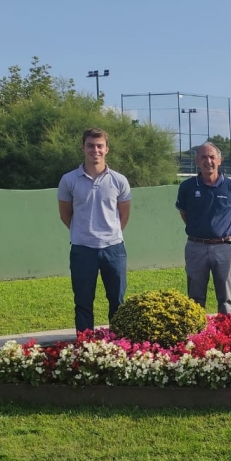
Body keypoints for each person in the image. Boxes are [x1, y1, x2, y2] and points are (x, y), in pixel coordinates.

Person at [57, 128, 132, 334]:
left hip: (114, 249)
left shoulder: (119, 180)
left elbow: (123, 216)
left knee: (117, 301)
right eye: (90, 145)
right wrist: (84, 233)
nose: (95, 150)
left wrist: (109, 233)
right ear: (83, 147)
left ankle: (118, 346)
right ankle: (85, 347)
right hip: (82, 249)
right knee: (83, 302)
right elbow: (66, 215)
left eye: (100, 146)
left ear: (107, 149)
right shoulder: (69, 180)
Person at [175, 142, 231, 314]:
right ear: (197, 161)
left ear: (219, 160)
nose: (208, 161)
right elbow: (184, 213)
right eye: (204, 157)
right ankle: (197, 335)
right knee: (195, 297)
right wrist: (201, 231)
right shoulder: (187, 187)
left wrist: (217, 232)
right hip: (196, 247)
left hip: (224, 247)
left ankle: (226, 335)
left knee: (226, 297)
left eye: (212, 157)